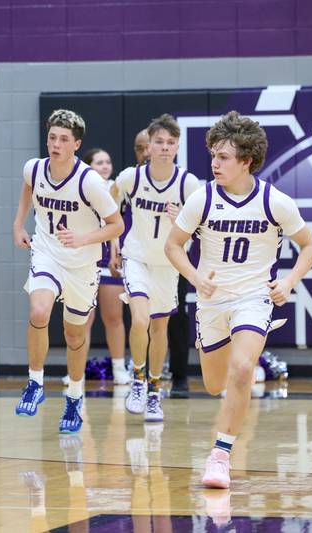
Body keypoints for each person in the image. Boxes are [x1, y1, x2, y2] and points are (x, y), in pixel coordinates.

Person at [165, 111, 312, 489]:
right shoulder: (201, 198)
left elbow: (310, 246)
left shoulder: (274, 201)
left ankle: (220, 456)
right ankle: (233, 367)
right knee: (215, 383)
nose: (214, 164)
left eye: (223, 158)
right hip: (213, 302)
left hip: (254, 299)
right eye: (213, 156)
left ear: (246, 161)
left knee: (241, 368)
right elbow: (173, 245)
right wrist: (195, 276)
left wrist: (289, 281)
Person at [13, 109, 124, 433]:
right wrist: (18, 223)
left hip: (83, 265)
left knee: (75, 335)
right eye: (51, 137)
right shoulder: (34, 168)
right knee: (39, 309)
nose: (55, 144)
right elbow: (27, 188)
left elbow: (116, 226)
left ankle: (74, 397)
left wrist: (83, 239)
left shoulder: (89, 181)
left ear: (76, 144)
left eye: (63, 139)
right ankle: (35, 382)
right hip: (47, 253)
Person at [112, 114, 203, 423]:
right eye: (159, 142)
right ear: (148, 145)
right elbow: (108, 206)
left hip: (168, 263)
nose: (165, 148)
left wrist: (183, 220)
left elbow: (203, 227)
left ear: (178, 146)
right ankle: (137, 380)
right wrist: (110, 240)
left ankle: (154, 391)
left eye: (171, 143)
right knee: (139, 319)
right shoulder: (130, 178)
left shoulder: (188, 183)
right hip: (136, 257)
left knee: (159, 327)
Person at [61, 148, 129, 386]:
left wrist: (115, 251)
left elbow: (115, 226)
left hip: (109, 259)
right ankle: (74, 370)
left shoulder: (117, 189)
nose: (105, 166)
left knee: (114, 317)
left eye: (108, 162)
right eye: (100, 162)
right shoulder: (80, 186)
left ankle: (119, 367)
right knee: (82, 319)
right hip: (84, 258)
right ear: (89, 165)